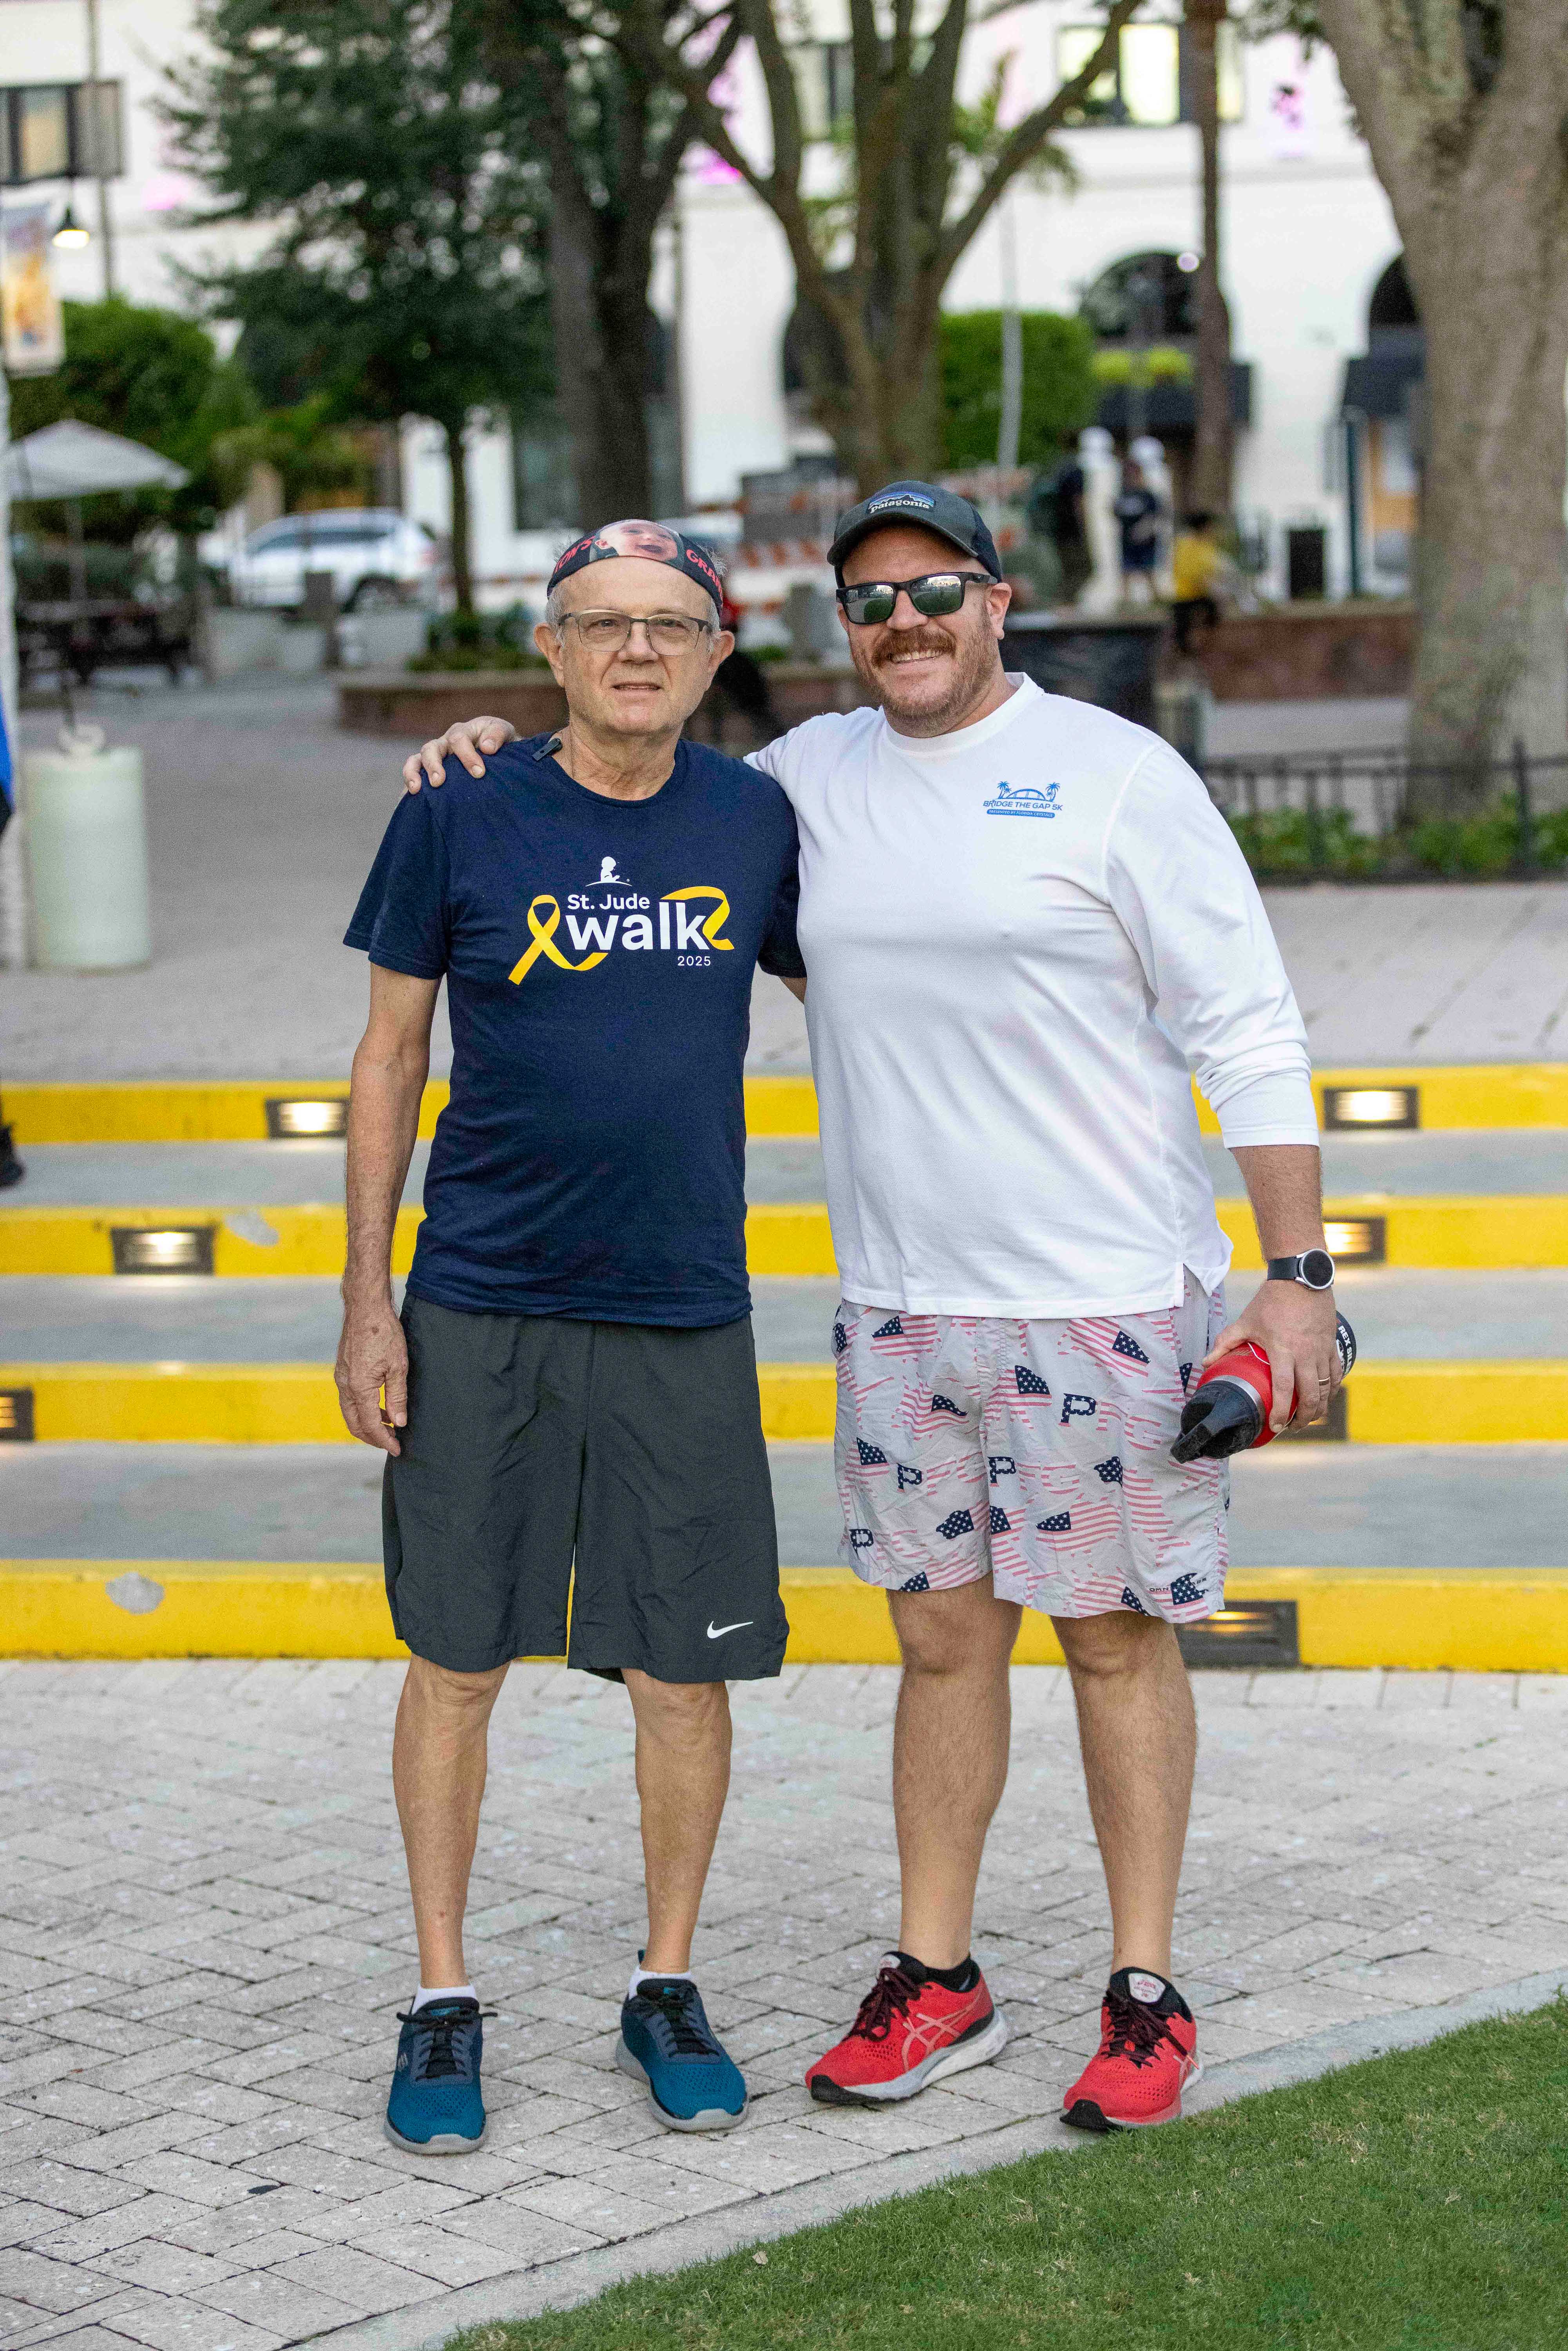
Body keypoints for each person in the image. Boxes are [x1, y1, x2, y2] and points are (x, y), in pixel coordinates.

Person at [401, 478, 1337, 2137]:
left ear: (996, 600)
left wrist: (1294, 1273)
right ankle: (937, 1975)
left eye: (933, 590)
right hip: (900, 1307)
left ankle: (1142, 1987)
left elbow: (1247, 1028)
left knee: (1111, 1638)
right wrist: (493, 742)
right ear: (841, 627)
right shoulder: (802, 780)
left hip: (1098, 1298)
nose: (903, 622)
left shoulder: (1119, 775)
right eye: (870, 601)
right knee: (937, 1641)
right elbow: (630, 761)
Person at [340, 520, 807, 2154]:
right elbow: (389, 1057)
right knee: (457, 1655)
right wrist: (369, 1298)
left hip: (682, 1303)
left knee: (683, 1669)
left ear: (715, 651)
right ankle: (441, 1996)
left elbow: (883, 978)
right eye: (600, 623)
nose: (635, 649)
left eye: (669, 624)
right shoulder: (457, 808)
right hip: (482, 1297)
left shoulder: (756, 819)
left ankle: (663, 1984)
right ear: (548, 648)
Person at [1170, 511, 1230, 656]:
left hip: (1204, 594)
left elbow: (1216, 569)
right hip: (1185, 595)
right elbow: (1186, 572)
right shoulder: (1185, 545)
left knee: (1214, 617)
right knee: (1182, 628)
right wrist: (1207, 582)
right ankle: (1184, 654)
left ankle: (1205, 649)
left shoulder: (1208, 545)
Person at [1113, 455, 1161, 605]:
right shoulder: (1122, 494)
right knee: (1126, 573)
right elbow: (1116, 513)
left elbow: (1154, 516)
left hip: (1146, 542)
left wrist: (1143, 531)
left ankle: (1156, 600)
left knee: (1149, 572)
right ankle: (1125, 602)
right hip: (1128, 542)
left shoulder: (1148, 495)